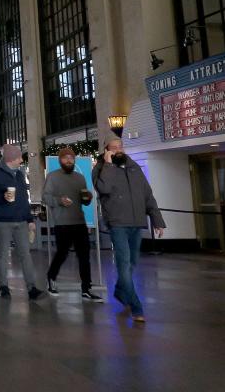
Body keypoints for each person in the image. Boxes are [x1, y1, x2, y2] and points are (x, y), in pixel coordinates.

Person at [92, 136, 166, 323]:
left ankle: (119, 291)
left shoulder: (134, 168)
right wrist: (107, 165)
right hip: (117, 224)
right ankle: (136, 306)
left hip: (136, 222)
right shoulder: (100, 169)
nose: (118, 150)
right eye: (113, 148)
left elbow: (147, 195)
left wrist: (157, 220)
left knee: (132, 263)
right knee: (124, 265)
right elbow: (104, 189)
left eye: (120, 147)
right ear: (106, 150)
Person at [0, 144, 44, 301]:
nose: (21, 160)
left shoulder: (19, 175)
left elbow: (24, 199)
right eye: (19, 157)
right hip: (3, 221)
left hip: (21, 221)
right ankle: (4, 287)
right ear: (12, 159)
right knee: (3, 254)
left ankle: (31, 287)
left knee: (26, 254)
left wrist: (29, 219)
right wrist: (2, 197)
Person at [43, 147, 102, 302]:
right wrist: (59, 201)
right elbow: (46, 197)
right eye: (65, 158)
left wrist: (87, 198)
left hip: (79, 221)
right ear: (60, 160)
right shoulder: (52, 177)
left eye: (71, 158)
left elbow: (84, 199)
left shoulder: (80, 178)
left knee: (84, 256)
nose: (69, 160)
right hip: (62, 223)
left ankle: (86, 288)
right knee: (62, 253)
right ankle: (51, 278)